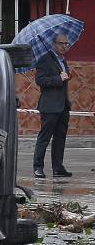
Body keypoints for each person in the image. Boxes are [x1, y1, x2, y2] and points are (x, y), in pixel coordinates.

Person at [33, 34, 73, 178]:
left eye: (66, 44)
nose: (64, 46)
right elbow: (40, 80)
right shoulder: (45, 60)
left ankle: (57, 167)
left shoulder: (62, 61)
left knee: (60, 138)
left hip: (63, 106)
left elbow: (63, 81)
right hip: (49, 106)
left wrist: (66, 76)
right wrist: (58, 78)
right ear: (53, 44)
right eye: (61, 43)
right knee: (44, 137)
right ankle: (38, 167)